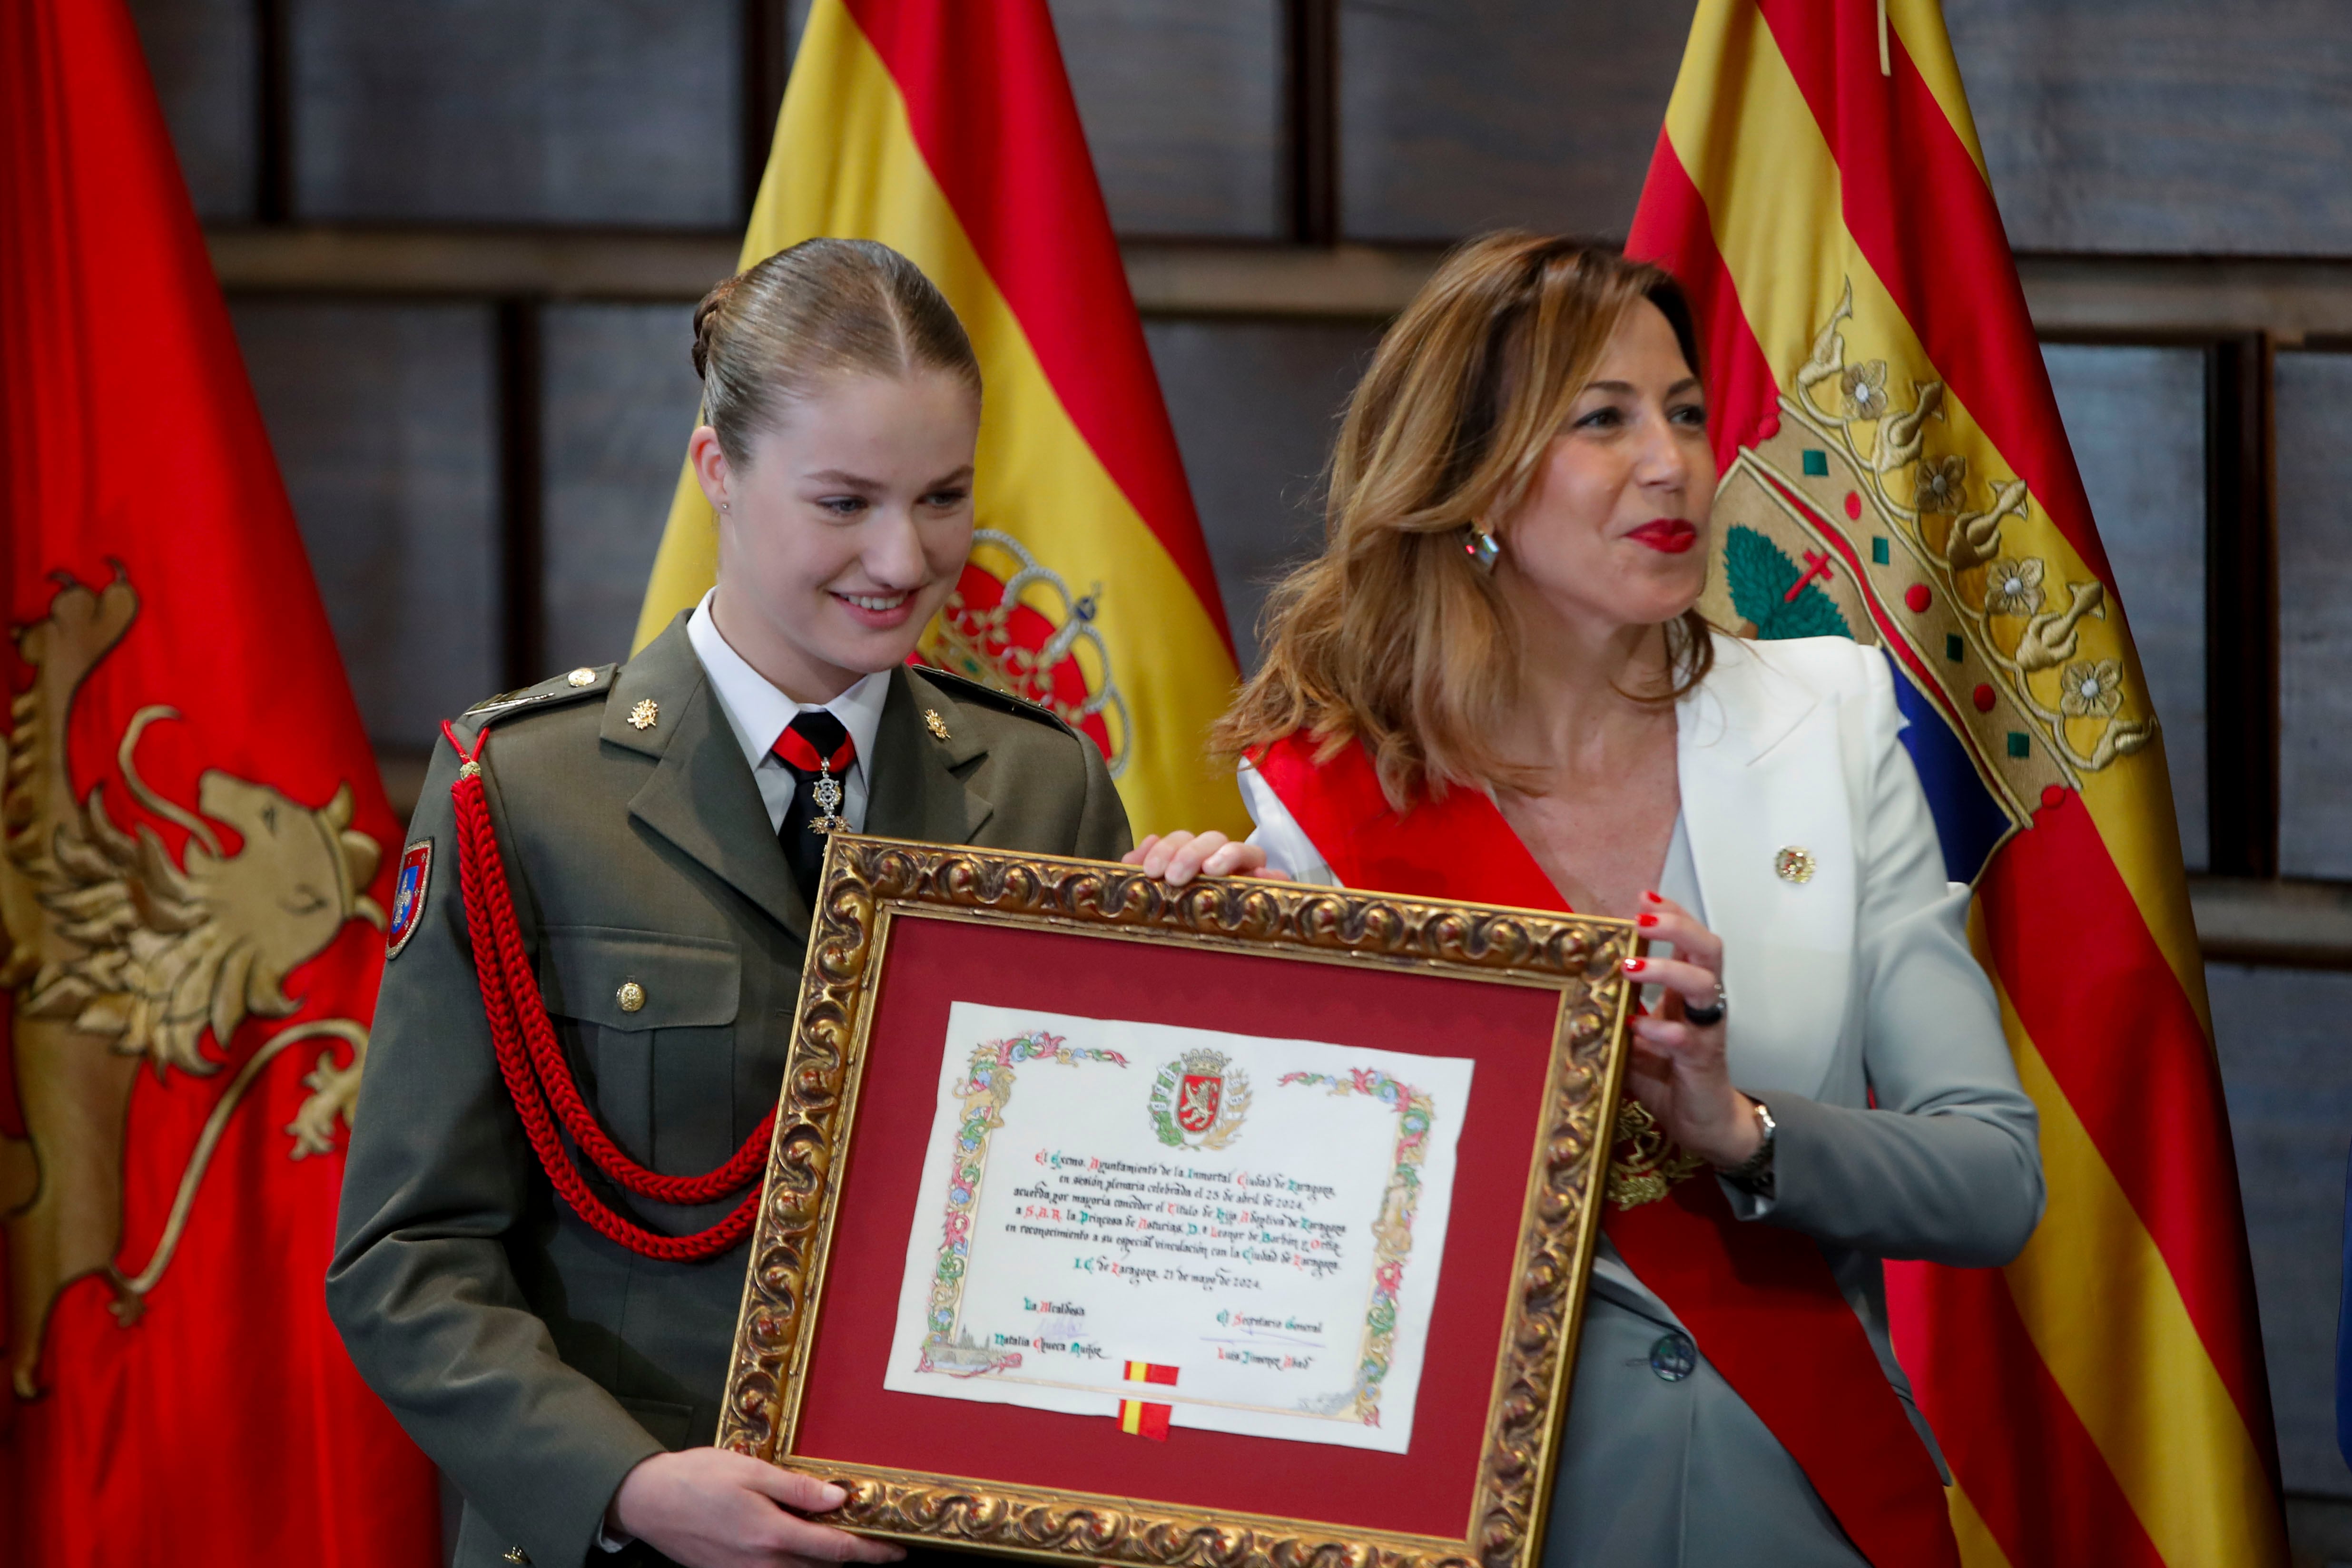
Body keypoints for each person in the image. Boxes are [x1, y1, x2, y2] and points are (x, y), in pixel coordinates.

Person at [1132, 235, 2045, 1567]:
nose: (1673, 460)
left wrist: (1742, 1131)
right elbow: (1274, 1247)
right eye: (1602, 421)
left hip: (1799, 1502)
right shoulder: (1325, 807)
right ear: (1476, 477)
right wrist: (1189, 980)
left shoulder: (1832, 727)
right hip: (1484, 1520)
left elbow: (1993, 1181)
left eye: (1682, 410)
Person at [329, 238, 1129, 1568]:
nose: (905, 555)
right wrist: (629, 1488)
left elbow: (1098, 1203)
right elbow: (405, 1258)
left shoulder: (1047, 791)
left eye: (943, 497)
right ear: (718, 472)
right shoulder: (522, 792)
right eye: (844, 501)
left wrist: (1225, 972)